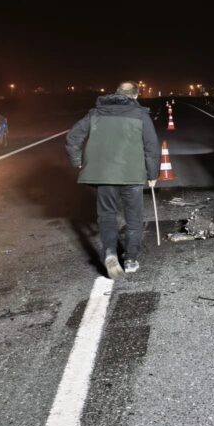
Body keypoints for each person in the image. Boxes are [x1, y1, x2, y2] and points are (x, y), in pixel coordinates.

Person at [65, 81, 160, 279]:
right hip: (132, 176)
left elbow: (73, 138)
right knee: (133, 218)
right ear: (135, 96)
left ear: (116, 93)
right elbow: (151, 147)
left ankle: (110, 252)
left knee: (107, 215)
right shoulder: (140, 115)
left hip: (104, 175)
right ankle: (131, 258)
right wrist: (152, 175)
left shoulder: (96, 113)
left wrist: (78, 162)